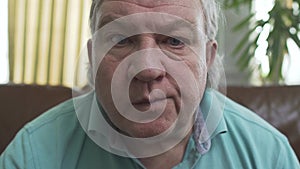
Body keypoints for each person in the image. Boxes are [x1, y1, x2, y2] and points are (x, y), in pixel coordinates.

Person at [1, 0, 299, 168]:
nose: (147, 68)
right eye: (121, 39)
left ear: (207, 58)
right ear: (93, 56)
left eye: (173, 41)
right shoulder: (32, 156)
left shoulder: (268, 156)